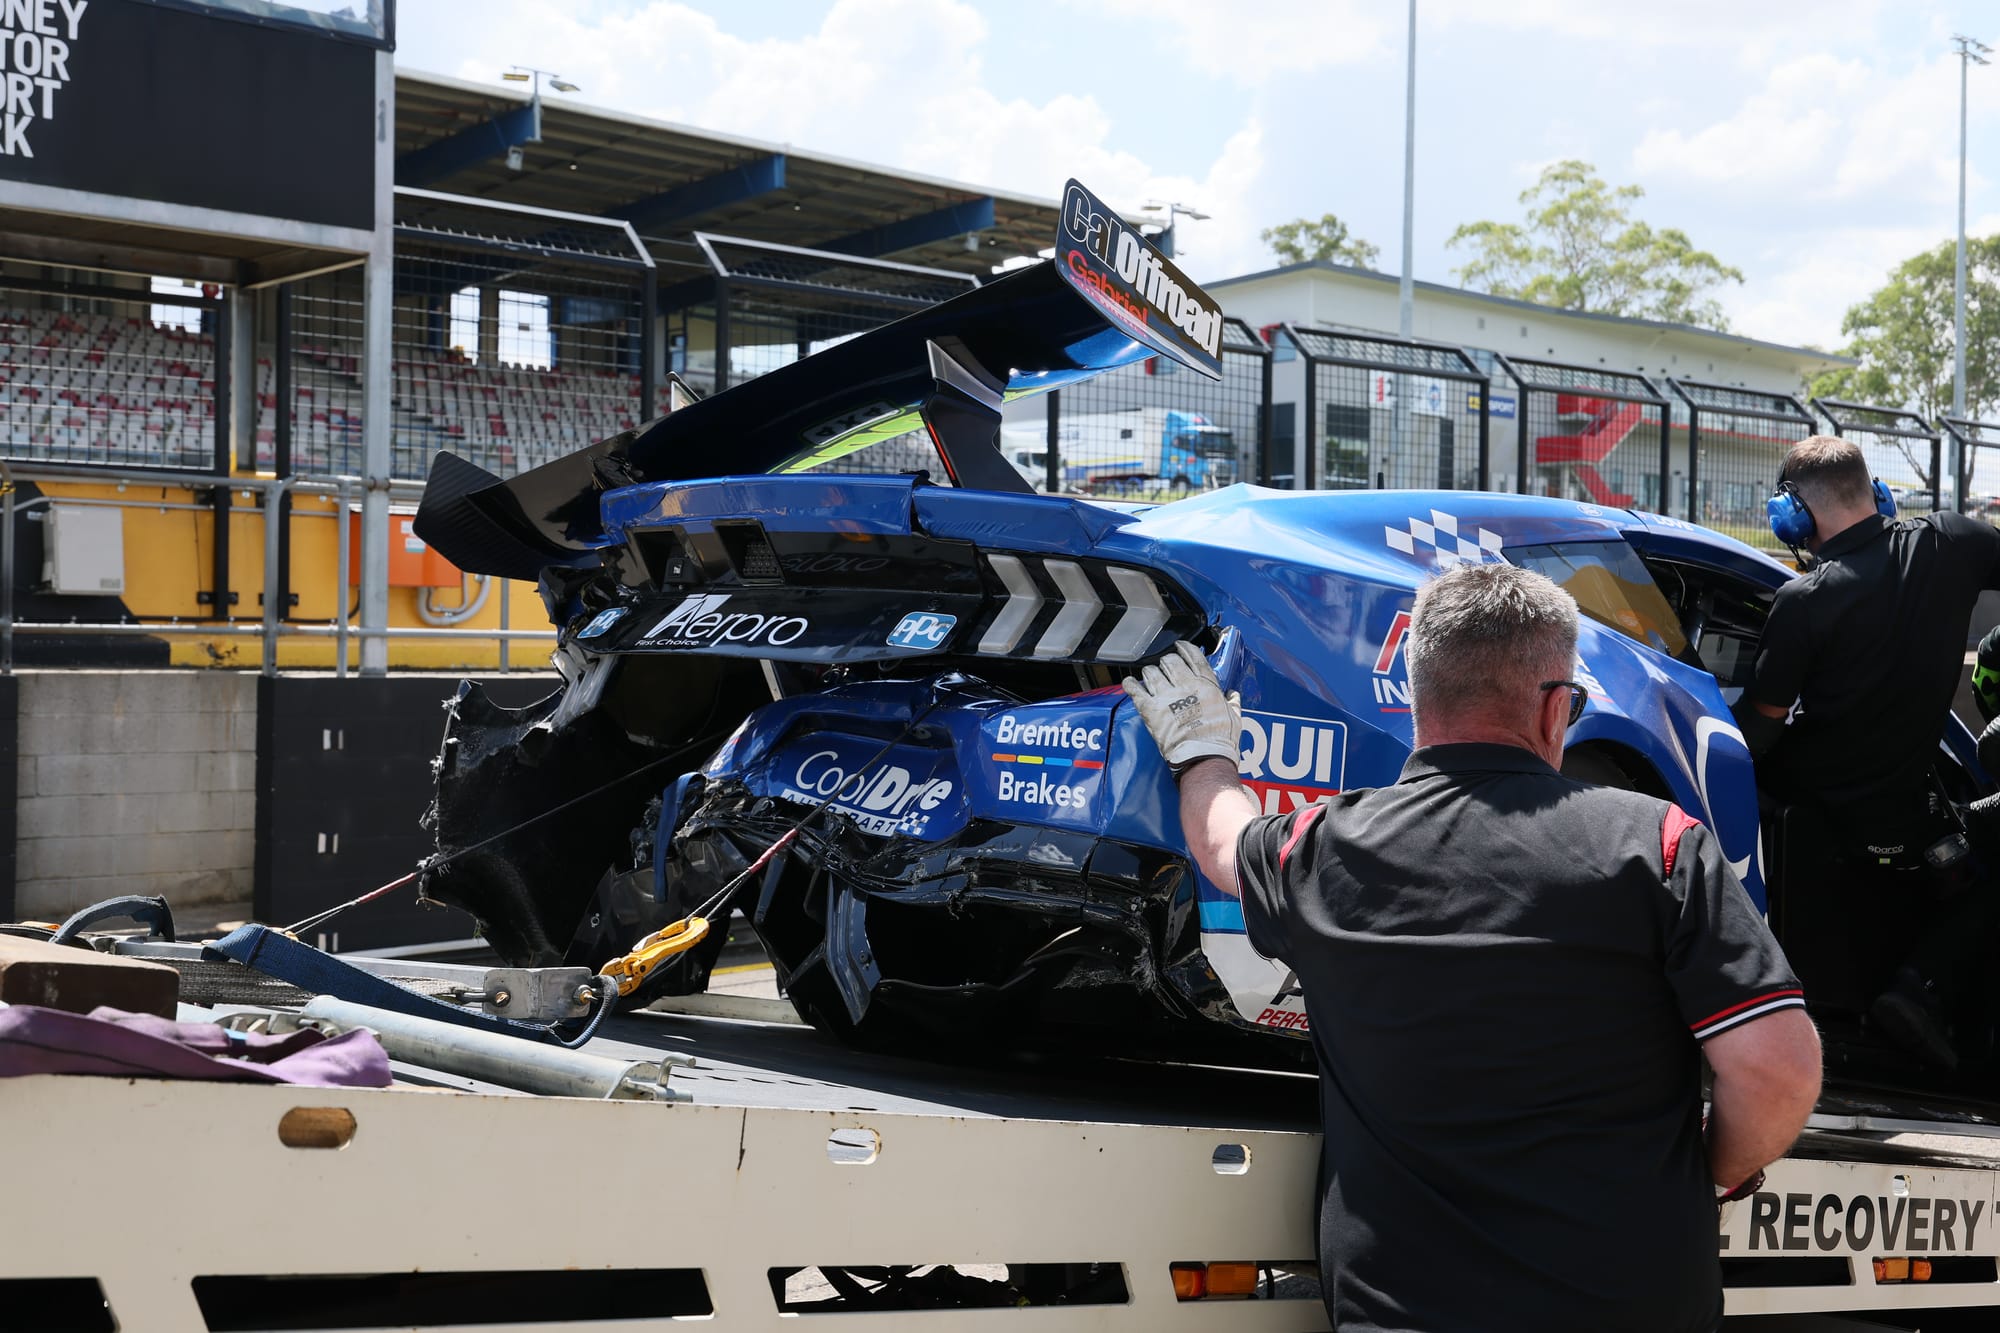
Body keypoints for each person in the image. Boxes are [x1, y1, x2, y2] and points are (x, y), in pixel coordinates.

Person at [1123, 566, 1821, 1333]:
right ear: (1556, 707)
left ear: (1417, 698)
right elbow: (1777, 1068)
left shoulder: (1327, 848)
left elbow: (1221, 841)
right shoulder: (1658, 846)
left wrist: (1200, 748)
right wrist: (1711, 1170)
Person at [1735, 435, 2000, 1068]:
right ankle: (1919, 987)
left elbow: (1758, 733)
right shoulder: (1953, 544)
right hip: (1910, 813)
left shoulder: (1803, 602)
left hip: (1818, 815)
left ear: (1793, 513)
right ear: (1876, 493)